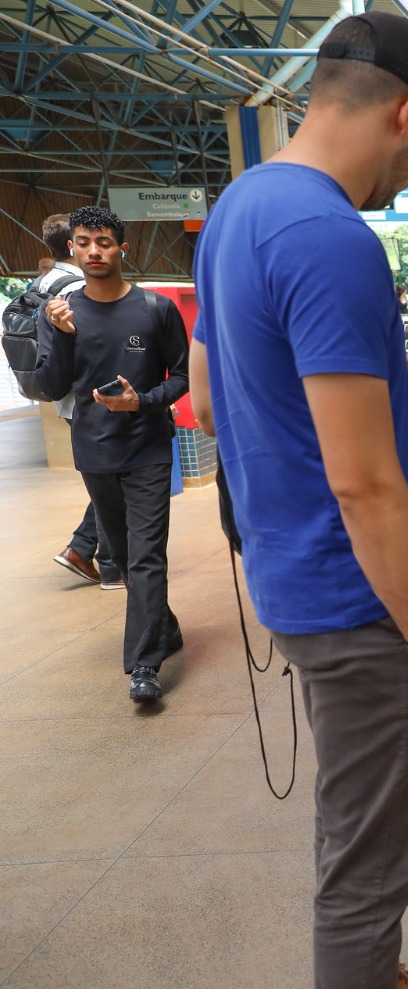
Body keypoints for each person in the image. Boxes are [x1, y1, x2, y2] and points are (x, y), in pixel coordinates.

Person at [186, 12, 408, 989]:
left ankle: (377, 984)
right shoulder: (327, 236)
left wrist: (369, 386)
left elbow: (217, 404)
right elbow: (367, 490)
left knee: (356, 824)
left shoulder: (239, 210)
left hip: (290, 579)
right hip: (359, 605)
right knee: (367, 863)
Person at [34, 206, 187, 702]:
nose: (94, 251)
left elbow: (184, 377)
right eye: (83, 242)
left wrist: (140, 401)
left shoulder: (156, 309)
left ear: (123, 248)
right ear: (72, 249)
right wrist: (58, 335)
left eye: (104, 242)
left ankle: (144, 666)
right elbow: (51, 385)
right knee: (119, 556)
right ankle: (164, 627)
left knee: (145, 558)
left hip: (147, 449)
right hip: (94, 452)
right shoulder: (60, 311)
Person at [33, 212, 113, 588]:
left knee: (108, 479)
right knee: (117, 481)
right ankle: (89, 552)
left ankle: (87, 549)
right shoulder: (78, 286)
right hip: (90, 398)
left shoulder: (43, 281)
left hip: (62, 394)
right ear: (73, 245)